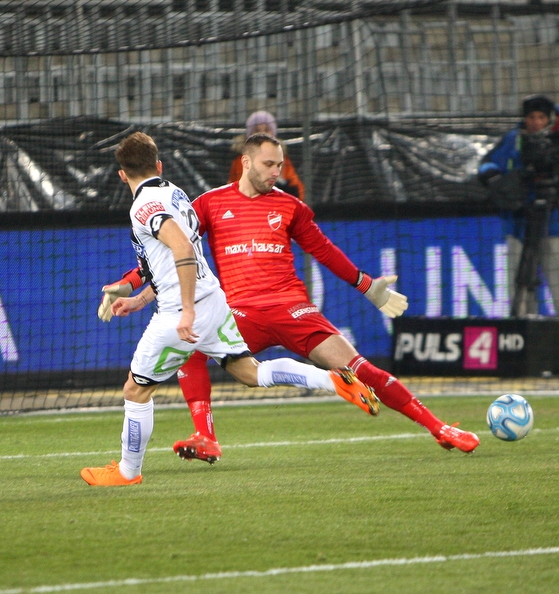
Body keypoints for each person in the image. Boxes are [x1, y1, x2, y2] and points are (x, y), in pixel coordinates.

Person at [101, 132, 480, 461]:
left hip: (293, 310)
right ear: (246, 162)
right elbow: (177, 255)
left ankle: (439, 427)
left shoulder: (289, 206)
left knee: (359, 367)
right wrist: (133, 287)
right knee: (192, 350)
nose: (276, 172)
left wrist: (366, 286)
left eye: (279, 165)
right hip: (240, 313)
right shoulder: (210, 203)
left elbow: (324, 250)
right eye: (268, 164)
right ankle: (206, 437)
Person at [81, 132, 378, 487]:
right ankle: (330, 379)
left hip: (181, 311)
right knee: (249, 372)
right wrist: (137, 296)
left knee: (136, 389)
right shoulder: (175, 193)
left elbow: (180, 249)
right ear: (158, 165)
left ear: (121, 175)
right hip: (215, 301)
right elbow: (163, 259)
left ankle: (127, 473)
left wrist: (186, 311)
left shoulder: (143, 206)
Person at [478, 95, 559, 317]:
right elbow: (487, 163)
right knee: (519, 283)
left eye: (541, 117)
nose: (535, 122)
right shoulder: (513, 139)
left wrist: (553, 198)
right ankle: (522, 322)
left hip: (553, 223)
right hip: (518, 223)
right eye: (531, 117)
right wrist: (494, 177)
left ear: (549, 118)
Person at [228, 111, 306, 201]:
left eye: (266, 129)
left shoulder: (283, 160)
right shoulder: (240, 161)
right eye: (257, 130)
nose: (262, 133)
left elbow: (297, 189)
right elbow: (234, 187)